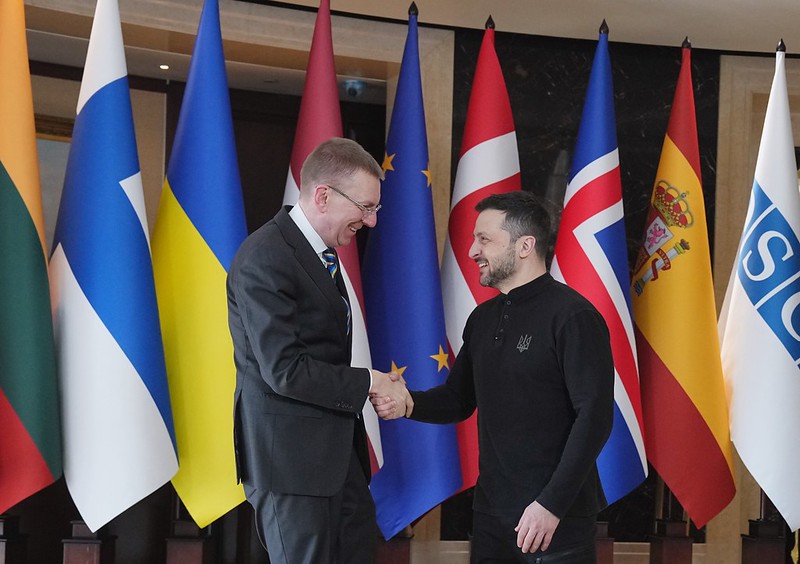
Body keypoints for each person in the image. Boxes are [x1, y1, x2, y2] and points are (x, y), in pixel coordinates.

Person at [375, 191, 614, 563]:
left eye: (484, 239)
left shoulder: (574, 316)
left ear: (525, 246)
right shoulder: (482, 319)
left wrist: (550, 504)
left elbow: (595, 417)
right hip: (490, 515)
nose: (473, 251)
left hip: (555, 518)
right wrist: (409, 403)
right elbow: (458, 399)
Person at [228, 137, 411, 564]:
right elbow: (286, 370)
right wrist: (370, 382)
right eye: (364, 207)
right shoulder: (266, 256)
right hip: (291, 466)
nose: (371, 221)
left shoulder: (321, 253)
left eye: (375, 208)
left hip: (335, 460)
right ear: (323, 196)